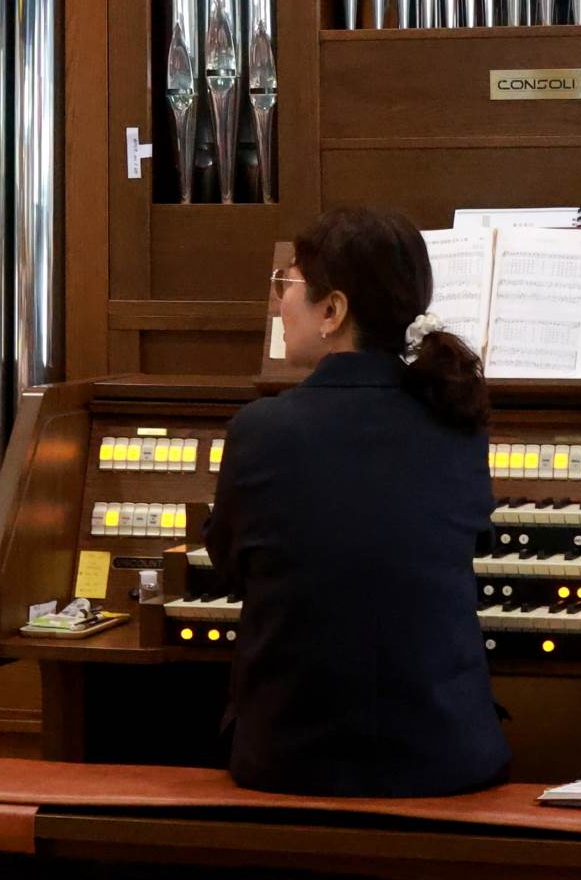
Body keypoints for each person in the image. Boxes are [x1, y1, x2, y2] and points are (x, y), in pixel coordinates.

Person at [205, 206, 508, 798]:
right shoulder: (457, 421)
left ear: (333, 311)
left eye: (287, 283)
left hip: (289, 760)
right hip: (446, 758)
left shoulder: (260, 430)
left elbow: (231, 565)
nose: (278, 303)